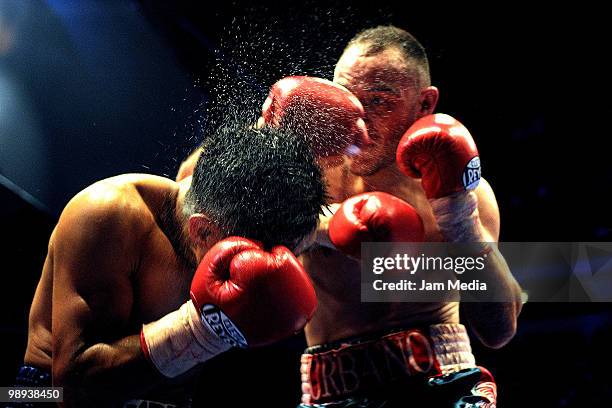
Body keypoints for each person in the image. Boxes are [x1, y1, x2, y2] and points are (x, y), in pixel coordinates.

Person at [261, 25, 522, 407]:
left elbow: (498, 330)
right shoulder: (306, 171)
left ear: (424, 105)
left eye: (380, 102)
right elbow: (197, 202)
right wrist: (321, 223)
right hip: (331, 391)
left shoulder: (465, 194)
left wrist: (460, 223)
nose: (359, 121)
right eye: (348, 100)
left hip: (445, 381)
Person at [16, 123, 326, 408]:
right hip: (42, 394)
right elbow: (71, 390)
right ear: (202, 231)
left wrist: (368, 243)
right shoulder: (111, 214)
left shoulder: (308, 203)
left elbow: (370, 280)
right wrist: (201, 330)